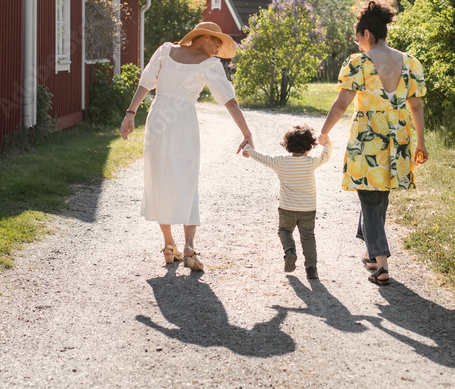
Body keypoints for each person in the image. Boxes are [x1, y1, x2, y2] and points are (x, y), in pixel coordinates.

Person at [121, 22, 253, 271]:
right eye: (216, 43)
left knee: (160, 179)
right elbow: (230, 102)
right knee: (186, 180)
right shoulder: (207, 64)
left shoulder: (165, 52)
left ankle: (169, 246)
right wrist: (247, 133)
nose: (217, 50)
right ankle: (189, 248)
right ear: (204, 37)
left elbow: (146, 82)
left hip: (159, 118)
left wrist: (131, 112)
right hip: (183, 122)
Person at [318, 0, 428, 286]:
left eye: (358, 39)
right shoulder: (409, 62)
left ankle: (382, 265)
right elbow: (416, 105)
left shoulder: (359, 63)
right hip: (399, 137)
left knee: (369, 197)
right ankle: (369, 251)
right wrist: (421, 142)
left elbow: (342, 103)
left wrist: (324, 131)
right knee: (378, 196)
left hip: (369, 138)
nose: (358, 45)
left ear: (367, 34)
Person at [242, 124, 333, 280]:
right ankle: (311, 268)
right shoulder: (311, 162)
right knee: (308, 237)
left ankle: (290, 251)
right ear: (310, 146)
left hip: (287, 209)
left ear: (287, 144)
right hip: (308, 209)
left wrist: (248, 150)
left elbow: (261, 157)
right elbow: (325, 155)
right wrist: (328, 143)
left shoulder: (280, 161)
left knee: (284, 231)